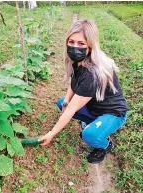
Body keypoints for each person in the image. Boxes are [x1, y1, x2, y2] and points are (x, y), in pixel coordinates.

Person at [39, 19, 129, 164]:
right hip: (94, 107)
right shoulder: (77, 61)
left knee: (89, 135)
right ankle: (94, 122)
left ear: (90, 46)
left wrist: (51, 133)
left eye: (81, 43)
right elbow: (74, 84)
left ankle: (105, 146)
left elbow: (70, 111)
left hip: (113, 113)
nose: (75, 47)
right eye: (71, 41)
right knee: (61, 103)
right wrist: (67, 101)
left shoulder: (91, 75)